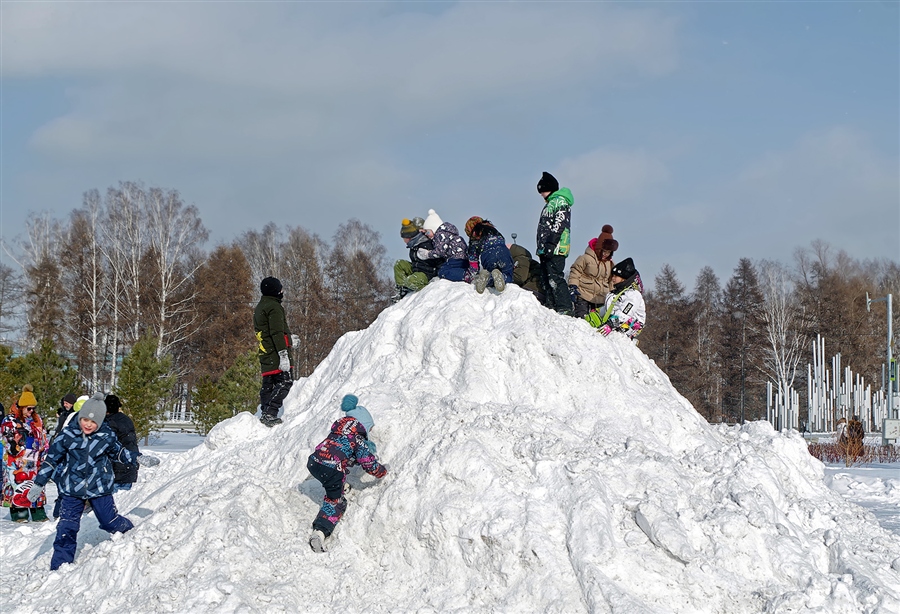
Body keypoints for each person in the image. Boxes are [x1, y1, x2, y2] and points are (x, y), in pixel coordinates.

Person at [26, 393, 160, 570]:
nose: (88, 424)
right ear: (80, 417)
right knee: (67, 527)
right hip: (71, 489)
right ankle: (60, 566)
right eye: (85, 420)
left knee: (109, 521)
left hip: (100, 487)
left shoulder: (106, 436)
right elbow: (51, 460)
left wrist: (137, 458)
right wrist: (39, 483)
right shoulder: (67, 435)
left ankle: (131, 533)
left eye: (93, 421)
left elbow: (119, 453)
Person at [306, 394, 387, 553]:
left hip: (314, 462)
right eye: (369, 428)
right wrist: (382, 471)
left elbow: (342, 453)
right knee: (336, 502)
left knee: (340, 465)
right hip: (331, 469)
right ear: (363, 425)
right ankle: (320, 532)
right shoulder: (357, 440)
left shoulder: (337, 432)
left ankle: (339, 485)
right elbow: (369, 465)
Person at [1, 384, 50, 522]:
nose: (31, 411)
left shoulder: (37, 419)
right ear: (22, 407)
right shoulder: (9, 420)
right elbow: (7, 440)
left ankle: (37, 510)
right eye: (29, 408)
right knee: (18, 483)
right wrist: (20, 442)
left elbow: (44, 436)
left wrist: (44, 450)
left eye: (33, 408)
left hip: (34, 457)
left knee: (35, 482)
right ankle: (19, 512)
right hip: (17, 459)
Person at [254, 276, 295, 427]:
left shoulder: (260, 307)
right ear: (275, 290)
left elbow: (266, 332)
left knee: (268, 385)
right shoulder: (274, 307)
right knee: (285, 381)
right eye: (280, 288)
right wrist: (283, 354)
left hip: (265, 353)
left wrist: (290, 339)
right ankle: (270, 413)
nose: (282, 291)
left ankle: (265, 411)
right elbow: (276, 332)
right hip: (276, 354)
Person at [535, 171, 574, 314]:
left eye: (542, 190)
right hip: (546, 248)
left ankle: (565, 307)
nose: (541, 194)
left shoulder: (560, 201)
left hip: (556, 248)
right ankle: (551, 305)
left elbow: (559, 224)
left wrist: (551, 244)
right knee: (546, 277)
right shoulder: (551, 203)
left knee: (555, 277)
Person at [585, 257, 646, 340]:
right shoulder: (616, 293)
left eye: (616, 276)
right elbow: (611, 308)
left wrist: (612, 323)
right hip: (616, 321)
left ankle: (623, 341)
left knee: (612, 335)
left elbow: (626, 311)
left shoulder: (633, 294)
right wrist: (599, 312)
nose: (613, 278)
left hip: (631, 324)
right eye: (612, 276)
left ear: (623, 278)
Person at [568, 225, 618, 318]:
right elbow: (575, 271)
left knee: (596, 323)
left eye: (608, 252)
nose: (605, 255)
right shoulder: (586, 258)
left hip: (600, 298)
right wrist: (573, 286)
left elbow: (611, 281)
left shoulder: (610, 264)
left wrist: (613, 294)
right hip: (584, 294)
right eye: (604, 251)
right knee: (581, 321)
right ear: (599, 248)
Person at [393, 217, 443, 301]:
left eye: (404, 238)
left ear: (409, 237)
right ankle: (402, 289)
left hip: (427, 274)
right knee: (399, 264)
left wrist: (438, 274)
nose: (403, 240)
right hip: (417, 270)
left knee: (411, 280)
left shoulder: (425, 244)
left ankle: (417, 285)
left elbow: (438, 258)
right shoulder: (414, 246)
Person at [417, 210, 470, 282]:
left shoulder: (440, 234)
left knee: (443, 271)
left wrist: (427, 254)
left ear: (434, 228)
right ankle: (466, 272)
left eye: (428, 232)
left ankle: (466, 276)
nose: (427, 235)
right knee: (453, 268)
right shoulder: (447, 232)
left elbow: (440, 251)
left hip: (456, 258)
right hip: (462, 258)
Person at [464, 217, 514, 294]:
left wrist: (471, 276)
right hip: (503, 252)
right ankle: (503, 277)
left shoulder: (474, 238)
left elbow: (473, 260)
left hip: (488, 256)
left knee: (491, 272)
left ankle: (488, 279)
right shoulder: (493, 230)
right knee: (509, 275)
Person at [104, 395, 140, 492]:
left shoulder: (109, 422)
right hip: (130, 465)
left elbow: (108, 445)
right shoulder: (126, 419)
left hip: (117, 468)